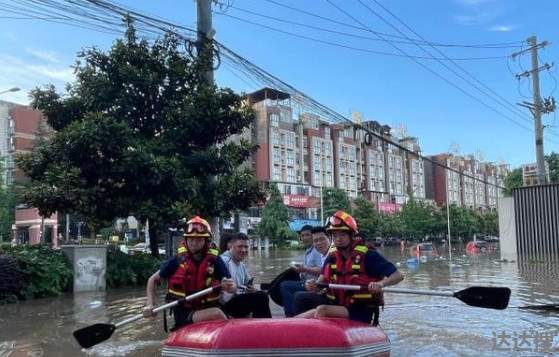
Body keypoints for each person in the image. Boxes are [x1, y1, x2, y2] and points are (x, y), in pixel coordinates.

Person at [296, 210, 404, 326]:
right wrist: (313, 286)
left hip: (361, 310)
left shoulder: (368, 256)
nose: (338, 239)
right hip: (337, 305)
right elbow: (319, 285)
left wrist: (381, 284)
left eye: (342, 234)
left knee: (322, 310)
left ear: (352, 235)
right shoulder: (332, 257)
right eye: (335, 235)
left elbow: (399, 276)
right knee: (301, 308)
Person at [143, 216, 237, 330]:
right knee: (216, 314)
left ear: (206, 241)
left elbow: (232, 288)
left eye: (198, 239)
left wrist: (230, 287)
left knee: (228, 313)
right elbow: (152, 280)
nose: (194, 243)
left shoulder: (215, 260)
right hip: (184, 312)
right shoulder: (176, 261)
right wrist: (150, 304)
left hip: (209, 307)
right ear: (186, 240)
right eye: (191, 239)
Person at [220, 233, 272, 318]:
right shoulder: (224, 261)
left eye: (246, 247)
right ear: (231, 246)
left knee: (260, 294)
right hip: (226, 305)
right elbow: (226, 294)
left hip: (237, 299)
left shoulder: (241, 264)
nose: (243, 250)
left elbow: (247, 284)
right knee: (261, 297)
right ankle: (265, 327)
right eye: (240, 246)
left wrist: (251, 290)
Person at [279, 225, 323, 317]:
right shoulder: (308, 250)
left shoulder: (317, 250)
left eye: (307, 235)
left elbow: (322, 270)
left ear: (313, 236)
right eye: (302, 236)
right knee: (286, 280)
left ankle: (291, 315)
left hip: (314, 284)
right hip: (305, 281)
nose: (304, 238)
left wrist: (304, 269)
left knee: (285, 285)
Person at [293, 226, 331, 315]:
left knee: (298, 296)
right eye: (315, 241)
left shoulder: (332, 255)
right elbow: (320, 280)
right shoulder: (323, 256)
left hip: (332, 298)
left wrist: (315, 285)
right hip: (325, 292)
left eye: (322, 239)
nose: (319, 243)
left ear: (329, 238)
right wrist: (311, 284)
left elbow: (322, 275)